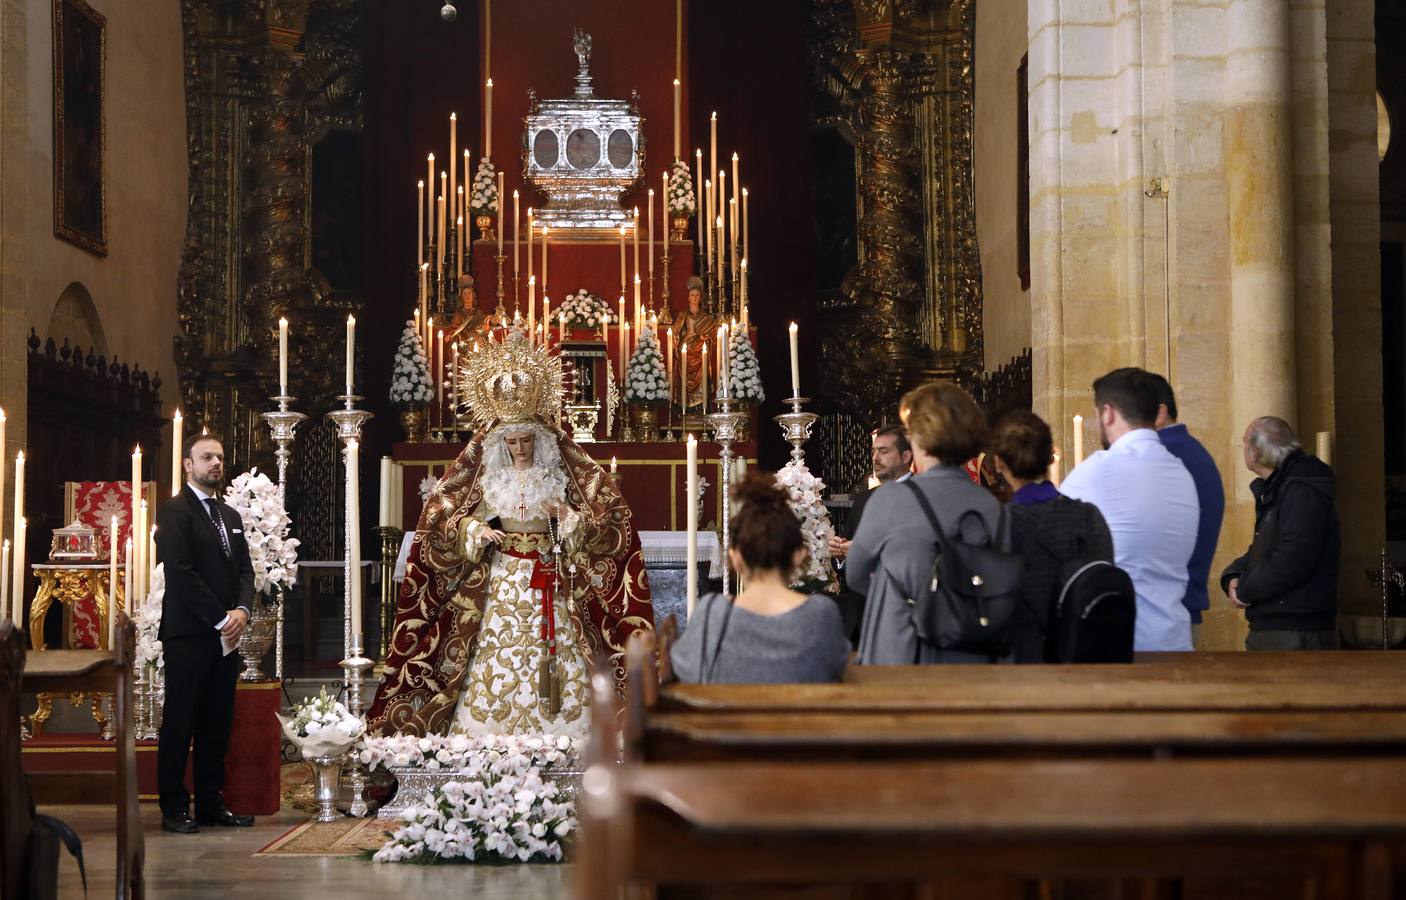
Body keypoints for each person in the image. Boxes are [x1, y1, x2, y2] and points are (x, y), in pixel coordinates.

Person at [369, 328, 654, 737]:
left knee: (562, 647)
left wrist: (566, 517)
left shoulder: (555, 474)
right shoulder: (493, 479)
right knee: (490, 652)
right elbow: (453, 515)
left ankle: (568, 731)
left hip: (549, 571)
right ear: (502, 445)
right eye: (513, 442)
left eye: (526, 441)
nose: (520, 449)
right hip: (502, 574)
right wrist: (475, 531)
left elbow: (597, 520)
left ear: (538, 440)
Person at [848, 382, 1009, 664]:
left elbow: (856, 575)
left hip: (902, 651)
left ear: (919, 439)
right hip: (971, 658)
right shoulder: (994, 507)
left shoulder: (890, 499)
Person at [154, 434, 255, 834]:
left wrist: (243, 611)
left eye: (220, 456)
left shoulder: (229, 515)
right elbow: (180, 574)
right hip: (189, 634)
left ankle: (212, 803)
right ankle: (174, 807)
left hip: (225, 637)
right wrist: (220, 617)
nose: (215, 463)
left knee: (217, 722)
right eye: (206, 457)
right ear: (187, 465)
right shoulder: (175, 512)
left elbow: (246, 571)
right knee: (181, 721)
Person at [1059, 368, 1200, 651]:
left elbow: (1051, 534)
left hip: (1121, 643)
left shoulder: (1099, 470)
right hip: (1173, 639)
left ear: (1108, 413)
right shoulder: (1180, 471)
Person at [672, 472, 850, 683]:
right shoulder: (822, 614)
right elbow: (836, 668)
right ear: (799, 556)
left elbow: (684, 671)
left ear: (735, 559)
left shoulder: (712, 613)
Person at [989, 411, 1114, 662]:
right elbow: (1102, 582)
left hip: (1019, 658)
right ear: (1050, 457)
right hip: (1081, 654)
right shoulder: (1088, 517)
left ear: (999, 463)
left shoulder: (996, 522)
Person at [1220, 417, 1340, 650]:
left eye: (1244, 444)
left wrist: (1245, 588)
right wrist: (1233, 574)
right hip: (1278, 624)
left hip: (1295, 628)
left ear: (1255, 452)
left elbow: (1294, 556)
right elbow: (1265, 549)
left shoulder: (1301, 488)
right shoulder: (1282, 486)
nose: (1243, 449)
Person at [1149, 373, 1224, 645]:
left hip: (1161, 609)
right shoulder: (1192, 451)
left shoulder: (1165, 454)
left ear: (1160, 413)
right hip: (1178, 604)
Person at [827, 425, 913, 642]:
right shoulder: (863, 499)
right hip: (861, 617)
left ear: (906, 456)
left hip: (904, 615)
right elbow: (848, 549)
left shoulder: (921, 497)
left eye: (884, 451)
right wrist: (839, 553)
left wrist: (864, 549)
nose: (875, 458)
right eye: (873, 451)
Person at [674, 276, 717, 412]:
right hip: (686, 353)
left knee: (703, 377)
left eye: (697, 295)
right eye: (692, 295)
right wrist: (677, 345)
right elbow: (675, 334)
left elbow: (713, 336)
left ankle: (700, 407)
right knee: (683, 378)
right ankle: (686, 407)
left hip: (700, 354)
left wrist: (706, 338)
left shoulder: (706, 318)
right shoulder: (683, 316)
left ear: (701, 297)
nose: (694, 297)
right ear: (688, 297)